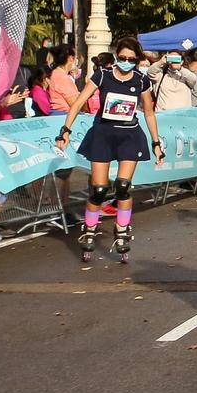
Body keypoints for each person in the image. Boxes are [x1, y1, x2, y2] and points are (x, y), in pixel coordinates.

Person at [53, 34, 170, 264]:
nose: (125, 62)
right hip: (103, 134)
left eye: (130, 59)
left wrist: (156, 143)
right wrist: (65, 129)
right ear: (116, 56)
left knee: (123, 187)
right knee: (98, 189)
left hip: (129, 135)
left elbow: (148, 112)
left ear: (137, 60)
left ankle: (123, 231)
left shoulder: (141, 80)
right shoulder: (103, 75)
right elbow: (78, 102)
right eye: (121, 57)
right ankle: (89, 229)